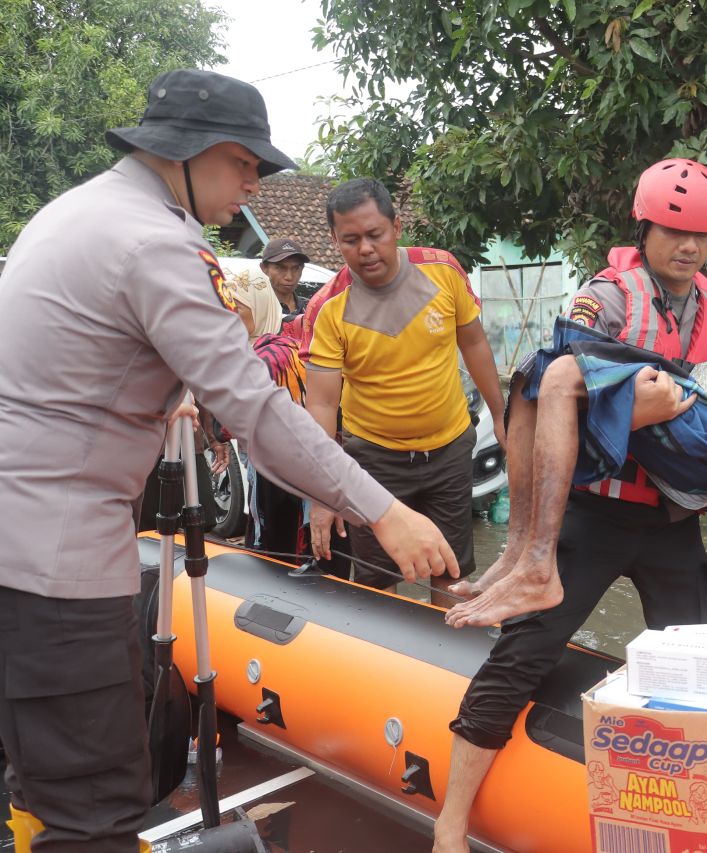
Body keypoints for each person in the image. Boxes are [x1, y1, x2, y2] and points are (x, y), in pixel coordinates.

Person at [0, 68, 459, 853]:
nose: (253, 183)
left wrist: (164, 391)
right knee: (97, 812)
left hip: (23, 547)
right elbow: (258, 408)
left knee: (41, 783)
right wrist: (382, 509)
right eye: (244, 162)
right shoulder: (153, 242)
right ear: (189, 153)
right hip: (56, 565)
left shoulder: (76, 212)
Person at [432, 158, 707, 853]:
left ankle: (700, 818)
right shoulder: (605, 298)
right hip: (594, 513)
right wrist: (633, 413)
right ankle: (449, 825)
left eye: (700, 235)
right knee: (525, 654)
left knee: (700, 663)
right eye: (673, 230)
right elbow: (547, 394)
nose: (687, 246)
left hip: (670, 520)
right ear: (646, 227)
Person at [445, 207, 707, 630]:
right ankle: (518, 553)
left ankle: (538, 567)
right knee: (533, 372)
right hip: (691, 422)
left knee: (561, 373)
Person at [305, 178, 506, 599]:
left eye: (375, 235)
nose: (365, 249)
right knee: (377, 582)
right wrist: (321, 494)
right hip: (374, 462)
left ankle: (446, 661)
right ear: (335, 241)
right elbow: (322, 404)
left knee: (450, 573)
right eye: (351, 240)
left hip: (449, 448)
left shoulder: (443, 271)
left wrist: (502, 415)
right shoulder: (328, 307)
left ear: (397, 227)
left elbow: (473, 343)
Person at [224, 267, 309, 557]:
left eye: (237, 305)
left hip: (280, 476)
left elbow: (229, 425)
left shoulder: (268, 355)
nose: (228, 312)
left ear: (258, 304)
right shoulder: (287, 343)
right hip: (299, 475)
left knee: (275, 554)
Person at [259, 236, 310, 329]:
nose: (289, 277)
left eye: (296, 268)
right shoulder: (255, 309)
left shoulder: (311, 309)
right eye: (280, 268)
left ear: (302, 269)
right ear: (264, 268)